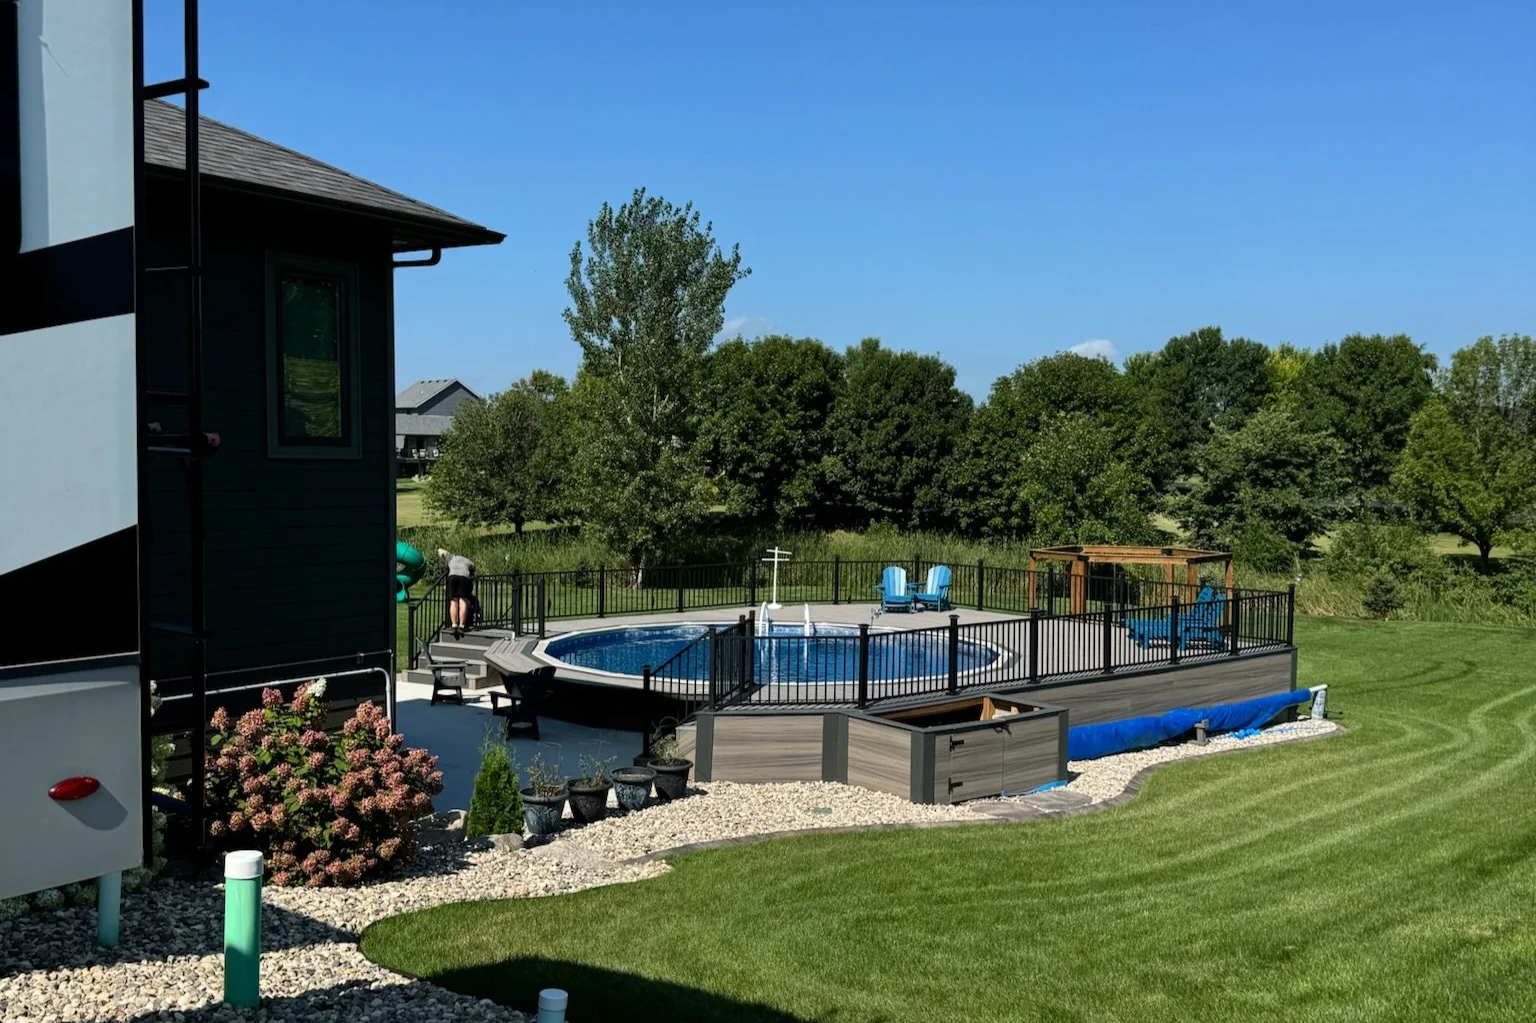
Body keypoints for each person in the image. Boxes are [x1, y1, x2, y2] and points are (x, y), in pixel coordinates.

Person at [438, 548, 475, 640]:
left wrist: (441, 555)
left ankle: (454, 625)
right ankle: (462, 626)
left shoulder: (451, 557)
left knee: (453, 602)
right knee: (463, 601)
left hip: (452, 577)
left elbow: (440, 550)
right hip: (464, 577)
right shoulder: (469, 562)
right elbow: (473, 573)